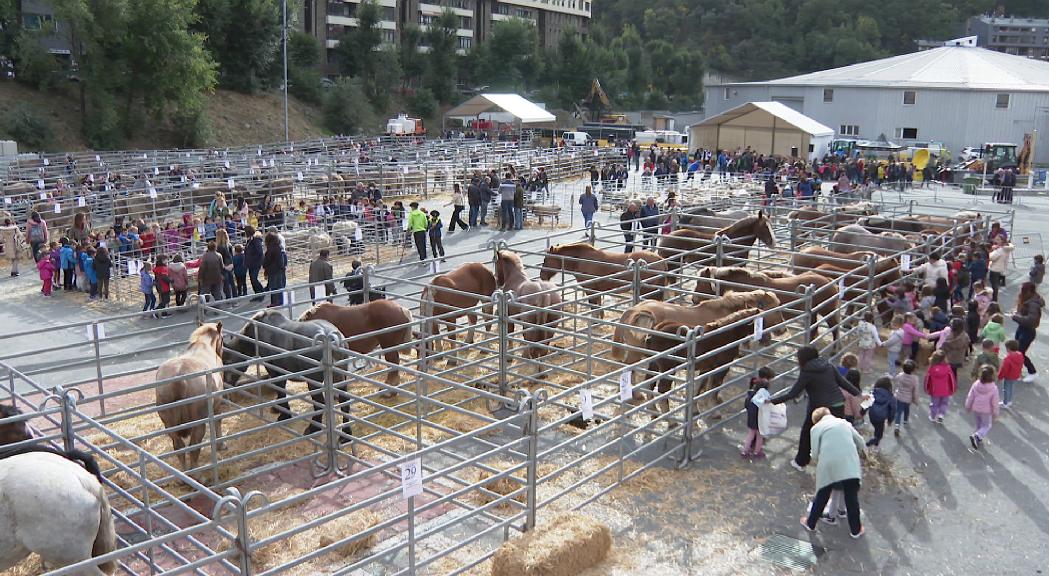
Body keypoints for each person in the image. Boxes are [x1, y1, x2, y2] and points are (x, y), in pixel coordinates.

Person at [771, 346, 861, 470]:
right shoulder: (828, 365)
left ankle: (801, 462)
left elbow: (793, 394)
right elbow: (843, 382)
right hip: (838, 406)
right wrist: (858, 394)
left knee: (807, 433)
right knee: (834, 436)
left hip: (819, 409)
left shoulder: (807, 372)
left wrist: (771, 402)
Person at [799, 407, 866, 538]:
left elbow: (815, 454)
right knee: (851, 497)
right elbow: (861, 442)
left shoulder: (816, 429)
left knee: (822, 494)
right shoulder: (844, 423)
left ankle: (810, 523)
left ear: (816, 421)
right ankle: (856, 530)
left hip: (829, 465)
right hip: (849, 463)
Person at [1012, 281, 1043, 382]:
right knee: (1017, 350)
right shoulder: (1028, 300)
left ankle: (1032, 372)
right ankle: (1017, 371)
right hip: (1022, 328)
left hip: (1028, 331)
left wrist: (1016, 317)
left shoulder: (1033, 304)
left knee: (1020, 352)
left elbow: (1031, 320)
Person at [965, 365, 1000, 451]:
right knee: (987, 425)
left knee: (978, 424)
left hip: (976, 408)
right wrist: (996, 413)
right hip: (986, 411)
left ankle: (978, 438)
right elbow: (995, 402)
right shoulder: (993, 388)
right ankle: (977, 435)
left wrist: (968, 406)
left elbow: (970, 396)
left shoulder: (976, 384)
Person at [742, 367, 775, 460]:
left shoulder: (751, 394)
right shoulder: (764, 396)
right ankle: (757, 451)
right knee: (760, 436)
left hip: (751, 418)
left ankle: (745, 451)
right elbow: (767, 407)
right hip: (760, 419)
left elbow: (746, 405)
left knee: (750, 434)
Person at [924, 349, 957, 423]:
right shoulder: (948, 367)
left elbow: (927, 379)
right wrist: (953, 388)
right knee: (944, 403)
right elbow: (952, 379)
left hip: (935, 390)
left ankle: (933, 416)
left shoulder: (931, 368)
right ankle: (941, 415)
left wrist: (926, 388)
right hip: (946, 390)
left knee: (934, 404)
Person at [865, 376, 896, 451]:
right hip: (881, 418)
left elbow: (866, 403)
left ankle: (876, 444)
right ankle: (869, 444)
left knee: (877, 429)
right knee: (879, 435)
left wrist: (862, 413)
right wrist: (890, 420)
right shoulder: (891, 397)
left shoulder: (873, 392)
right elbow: (893, 410)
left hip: (872, 415)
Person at [893, 359, 919, 436]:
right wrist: (916, 400)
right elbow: (916, 390)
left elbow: (896, 382)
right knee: (906, 410)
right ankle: (905, 421)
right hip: (908, 399)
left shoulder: (900, 375)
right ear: (913, 369)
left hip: (899, 396)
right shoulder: (915, 379)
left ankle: (897, 426)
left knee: (898, 412)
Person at [262, 231, 287, 307]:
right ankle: (279, 301)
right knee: (278, 286)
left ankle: (275, 302)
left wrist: (265, 266)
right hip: (278, 270)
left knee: (274, 287)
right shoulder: (279, 247)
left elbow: (267, 260)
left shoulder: (271, 249)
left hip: (273, 270)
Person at [198, 241, 225, 305]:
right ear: (215, 247)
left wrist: (200, 278)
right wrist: (222, 275)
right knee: (217, 294)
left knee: (205, 295)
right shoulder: (219, 256)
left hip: (207, 279)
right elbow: (222, 267)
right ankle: (217, 308)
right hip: (217, 277)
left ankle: (204, 310)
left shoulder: (205, 256)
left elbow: (202, 268)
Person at [998, 339, 1023, 408]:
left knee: (1006, 389)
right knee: (1011, 388)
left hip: (1008, 376)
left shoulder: (1007, 359)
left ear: (1008, 348)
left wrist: (1000, 377)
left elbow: (1004, 369)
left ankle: (1005, 403)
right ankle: (1009, 401)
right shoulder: (1020, 355)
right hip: (1015, 375)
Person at [243, 225, 265, 302]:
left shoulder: (255, 240)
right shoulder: (250, 240)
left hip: (255, 263)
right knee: (252, 279)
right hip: (250, 263)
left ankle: (261, 292)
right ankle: (257, 294)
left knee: (254, 278)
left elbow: (260, 253)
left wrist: (252, 259)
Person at [215, 228, 235, 300]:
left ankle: (229, 299)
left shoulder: (219, 248)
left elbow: (219, 259)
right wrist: (232, 265)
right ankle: (234, 299)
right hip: (230, 266)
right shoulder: (229, 245)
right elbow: (231, 256)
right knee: (231, 283)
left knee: (226, 285)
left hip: (223, 267)